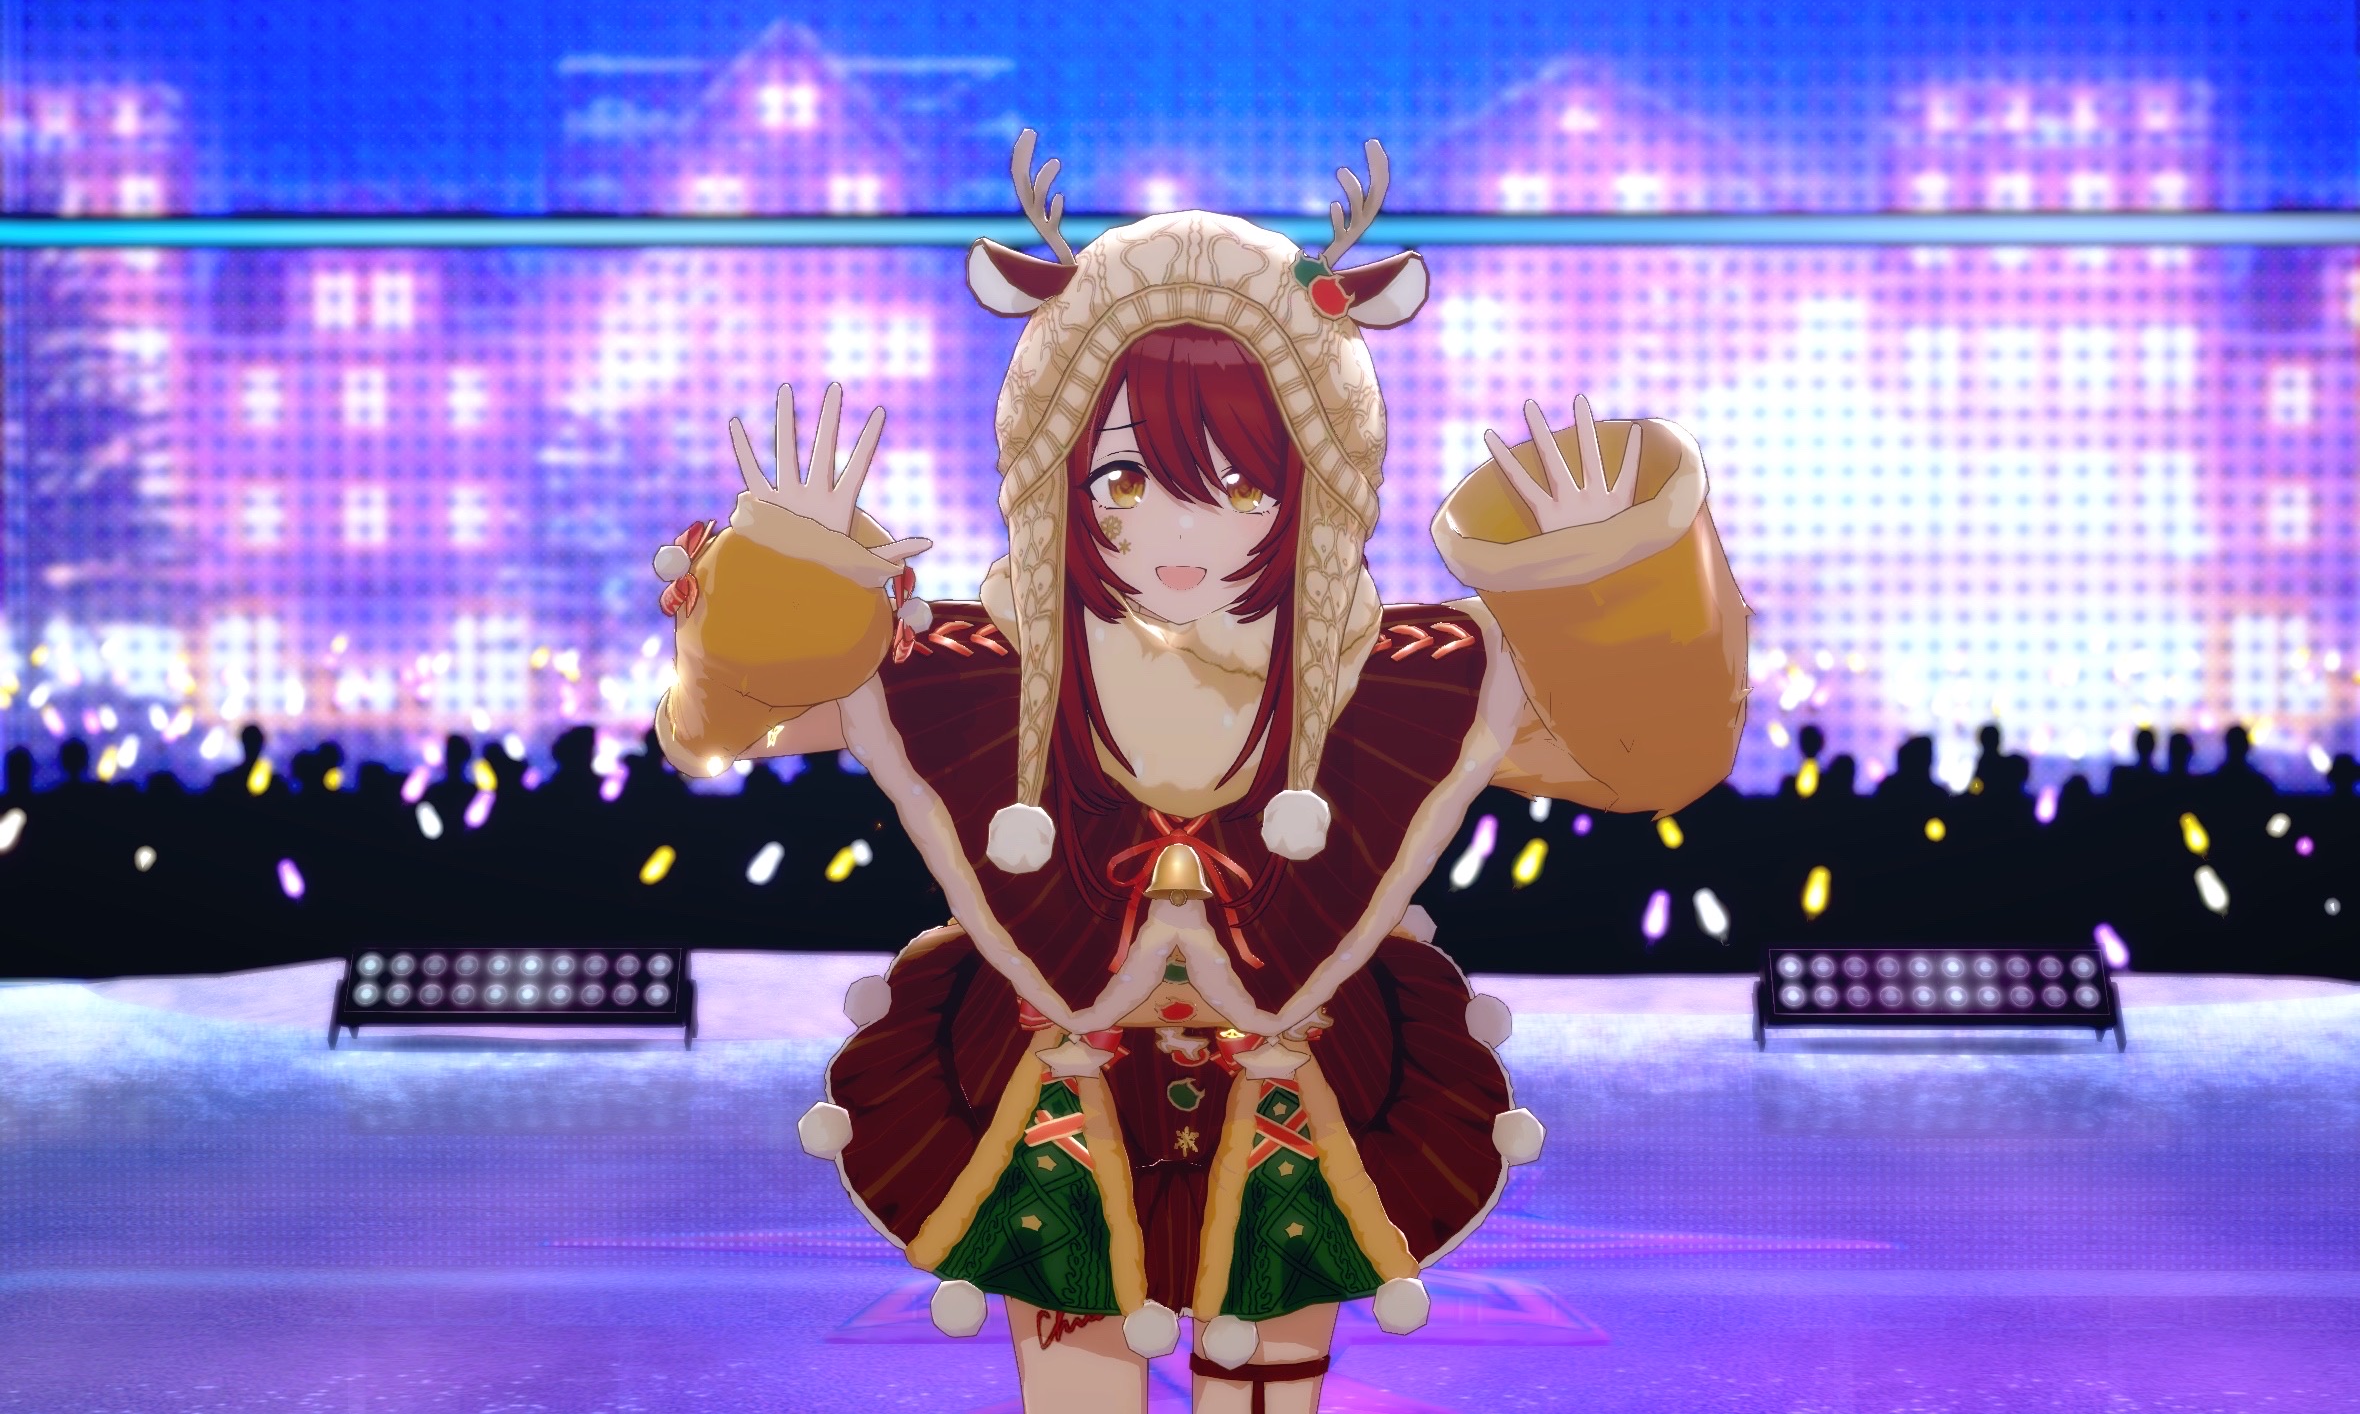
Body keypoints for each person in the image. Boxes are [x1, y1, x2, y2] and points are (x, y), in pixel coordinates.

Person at [651, 134, 1752, 1413]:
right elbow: (713, 733)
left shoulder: (1390, 676)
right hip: (1050, 1095)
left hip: (1298, 1096)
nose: (1180, 531)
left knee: (1264, 1388)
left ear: (1314, 484)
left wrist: (1608, 586)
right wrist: (778, 588)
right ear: (1057, 471)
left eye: (1239, 482)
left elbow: (1647, 762)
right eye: (1125, 475)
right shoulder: (980, 665)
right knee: (1077, 1392)